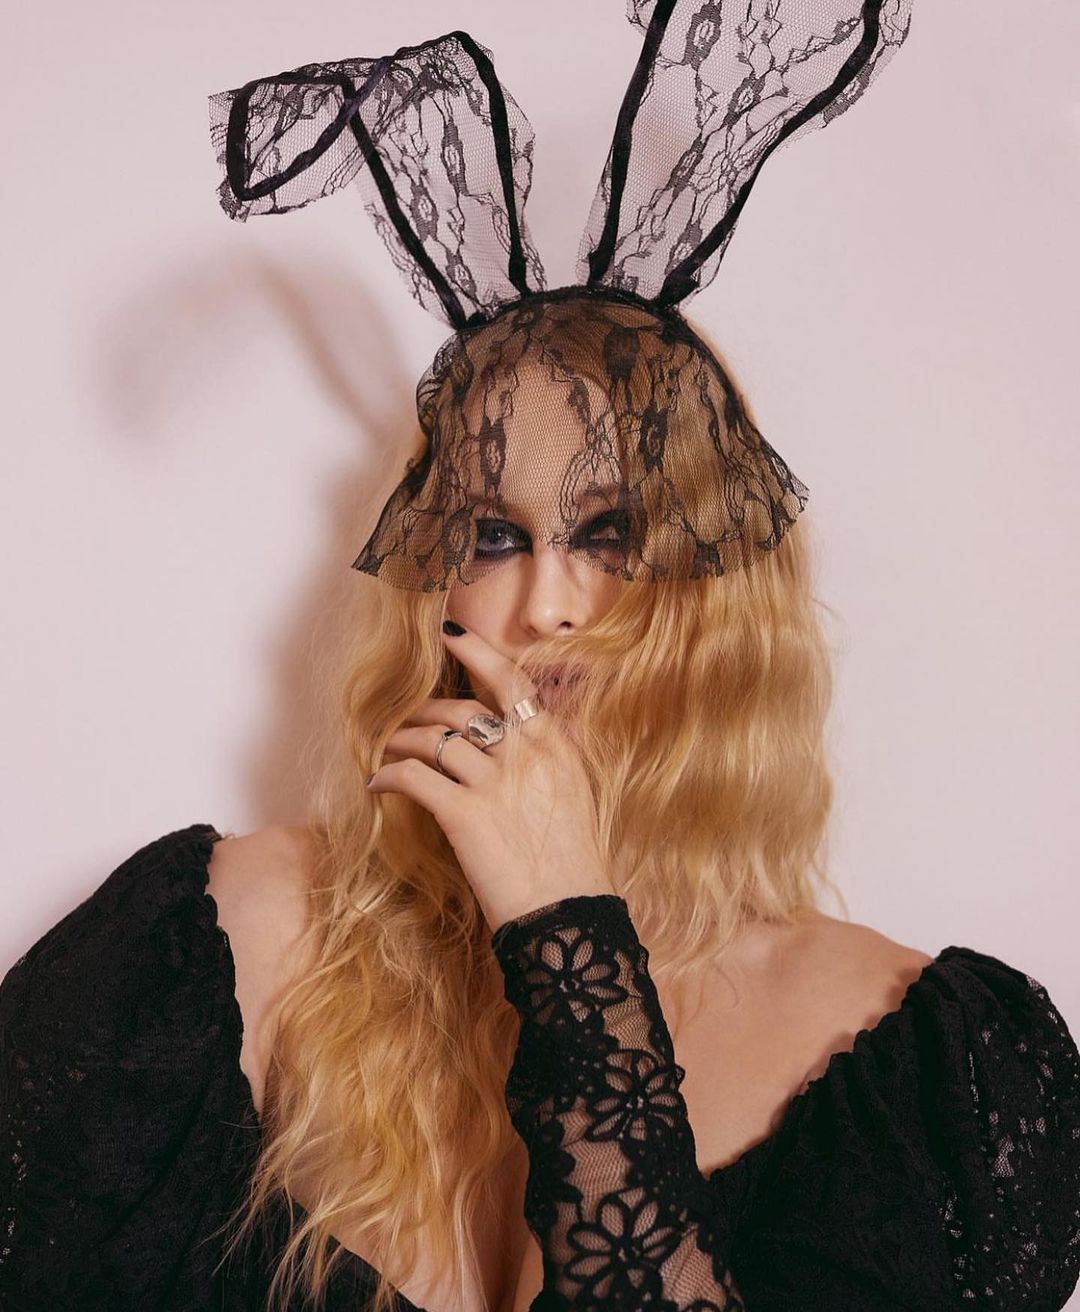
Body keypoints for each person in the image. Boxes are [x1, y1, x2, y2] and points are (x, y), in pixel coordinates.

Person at [3, 5, 1079, 1311]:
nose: (548, 605)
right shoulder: (215, 946)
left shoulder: (932, 1076)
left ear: (730, 589)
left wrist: (570, 938)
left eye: (614, 533)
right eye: (494, 534)